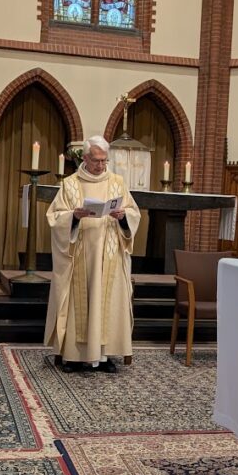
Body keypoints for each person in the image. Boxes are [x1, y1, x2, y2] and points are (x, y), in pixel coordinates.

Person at [45, 136, 141, 373]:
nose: (101, 165)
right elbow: (55, 217)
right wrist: (74, 216)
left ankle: (103, 356)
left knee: (106, 303)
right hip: (79, 254)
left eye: (104, 160)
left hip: (109, 253)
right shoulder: (69, 184)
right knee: (79, 304)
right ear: (85, 158)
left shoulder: (117, 182)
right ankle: (72, 356)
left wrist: (123, 217)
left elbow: (133, 212)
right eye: (96, 160)